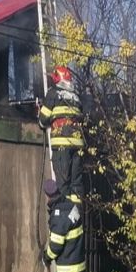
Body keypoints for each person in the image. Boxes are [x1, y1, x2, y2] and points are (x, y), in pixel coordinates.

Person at [38, 65, 85, 204]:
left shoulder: (53, 93)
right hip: (78, 146)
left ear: (57, 79)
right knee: (76, 184)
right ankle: (76, 216)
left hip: (62, 145)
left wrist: (40, 110)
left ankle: (64, 215)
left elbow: (43, 121)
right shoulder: (76, 96)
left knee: (63, 183)